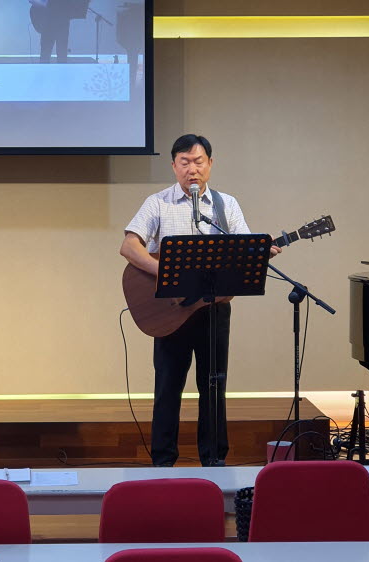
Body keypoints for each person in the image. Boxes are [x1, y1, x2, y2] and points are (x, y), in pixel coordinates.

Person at [119, 134, 281, 467]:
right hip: (170, 312)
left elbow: (243, 246)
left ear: (210, 164)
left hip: (214, 311)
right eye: (185, 162)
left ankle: (214, 459)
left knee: (214, 386)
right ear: (174, 166)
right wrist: (166, 272)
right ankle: (163, 461)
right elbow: (129, 246)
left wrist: (260, 253)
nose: (192, 169)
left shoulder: (226, 205)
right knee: (168, 387)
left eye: (198, 162)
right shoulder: (158, 203)